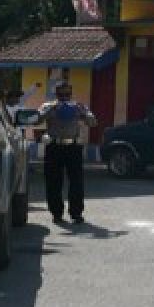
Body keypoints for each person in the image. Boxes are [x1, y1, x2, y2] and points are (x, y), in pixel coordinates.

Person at [37, 81, 97, 224]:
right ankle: (56, 213)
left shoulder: (78, 106)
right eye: (61, 94)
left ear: (71, 94)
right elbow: (36, 119)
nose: (64, 97)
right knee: (53, 181)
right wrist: (50, 110)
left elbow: (93, 123)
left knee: (76, 181)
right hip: (54, 146)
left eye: (67, 94)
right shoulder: (48, 106)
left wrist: (84, 113)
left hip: (73, 147)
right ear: (56, 94)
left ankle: (76, 213)